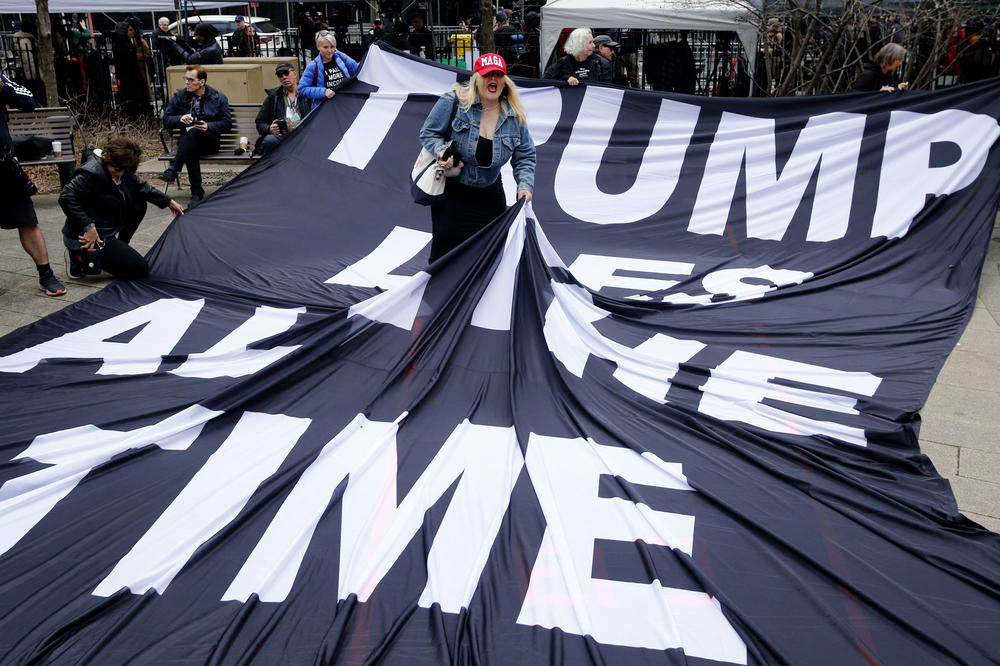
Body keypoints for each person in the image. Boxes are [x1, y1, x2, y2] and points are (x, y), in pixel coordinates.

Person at [418, 53, 535, 262]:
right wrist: (442, 150)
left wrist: (524, 186)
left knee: (489, 257)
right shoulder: (453, 101)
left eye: (498, 75)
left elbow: (525, 155)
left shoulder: (514, 116)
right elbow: (428, 133)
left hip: (490, 197)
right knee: (445, 258)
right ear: (477, 78)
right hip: (453, 194)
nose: (493, 79)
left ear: (505, 80)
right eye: (488, 74)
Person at [60, 137, 184, 280]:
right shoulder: (91, 172)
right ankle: (77, 256)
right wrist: (88, 226)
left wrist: (169, 202)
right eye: (117, 169)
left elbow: (142, 187)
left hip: (105, 227)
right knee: (138, 269)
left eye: (125, 170)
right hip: (86, 234)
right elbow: (66, 197)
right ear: (108, 159)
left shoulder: (122, 170)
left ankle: (117, 249)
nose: (120, 173)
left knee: (138, 202)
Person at [1, 74, 66, 296]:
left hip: (3, 167)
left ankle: (46, 274)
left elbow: (28, 102)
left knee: (27, 222)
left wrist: (3, 87)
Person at [161, 64, 233, 202]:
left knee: (192, 134)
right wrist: (180, 119)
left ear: (202, 82)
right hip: (188, 143)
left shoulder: (218, 97)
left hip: (210, 141)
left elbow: (227, 124)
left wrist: (208, 126)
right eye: (186, 79)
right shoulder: (179, 97)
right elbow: (166, 120)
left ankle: (174, 169)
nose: (187, 82)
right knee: (190, 144)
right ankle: (196, 194)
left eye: (191, 80)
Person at [254, 62, 310, 156]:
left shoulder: (307, 93)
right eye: (280, 75)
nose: (284, 77)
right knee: (269, 140)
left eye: (286, 73)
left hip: (304, 136)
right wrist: (269, 128)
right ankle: (273, 169)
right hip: (282, 137)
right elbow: (260, 122)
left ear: (295, 74)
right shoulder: (273, 97)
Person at [298, 30, 359, 111]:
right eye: (325, 47)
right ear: (318, 46)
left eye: (332, 47)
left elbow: (358, 69)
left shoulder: (341, 57)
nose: (330, 51)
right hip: (325, 110)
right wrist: (323, 92)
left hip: (346, 105)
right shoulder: (312, 66)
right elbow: (302, 89)